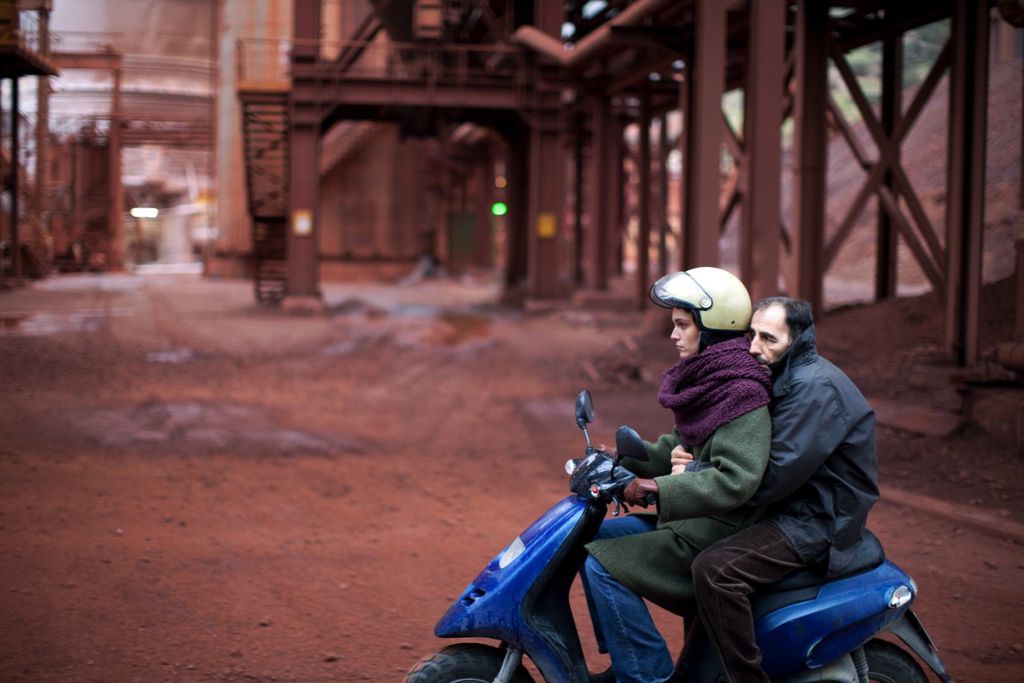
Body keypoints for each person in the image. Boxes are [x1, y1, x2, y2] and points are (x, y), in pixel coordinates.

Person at [581, 267, 774, 683]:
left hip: (713, 534)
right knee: (589, 538)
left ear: (712, 327)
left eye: (683, 325)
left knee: (604, 566)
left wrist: (657, 487)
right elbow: (678, 444)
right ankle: (626, 662)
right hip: (690, 524)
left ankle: (646, 676)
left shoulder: (744, 394)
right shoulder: (712, 380)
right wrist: (623, 458)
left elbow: (735, 479)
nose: (674, 335)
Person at [684, 296, 879, 682]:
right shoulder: (784, 375)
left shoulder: (814, 388)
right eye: (752, 335)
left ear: (797, 339)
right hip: (794, 506)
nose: (754, 347)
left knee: (715, 571)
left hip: (818, 520)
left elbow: (772, 476)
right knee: (696, 544)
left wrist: (696, 472)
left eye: (769, 339)